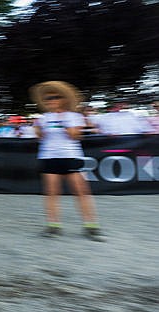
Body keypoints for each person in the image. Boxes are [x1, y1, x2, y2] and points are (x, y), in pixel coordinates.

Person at [30, 81, 103, 241]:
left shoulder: (74, 116)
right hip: (49, 156)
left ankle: (91, 226)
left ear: (63, 99)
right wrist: (38, 130)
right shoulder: (43, 118)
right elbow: (41, 138)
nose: (51, 100)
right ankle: (53, 225)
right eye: (48, 98)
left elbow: (75, 136)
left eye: (55, 97)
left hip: (70, 156)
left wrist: (61, 121)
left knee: (81, 192)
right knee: (51, 193)